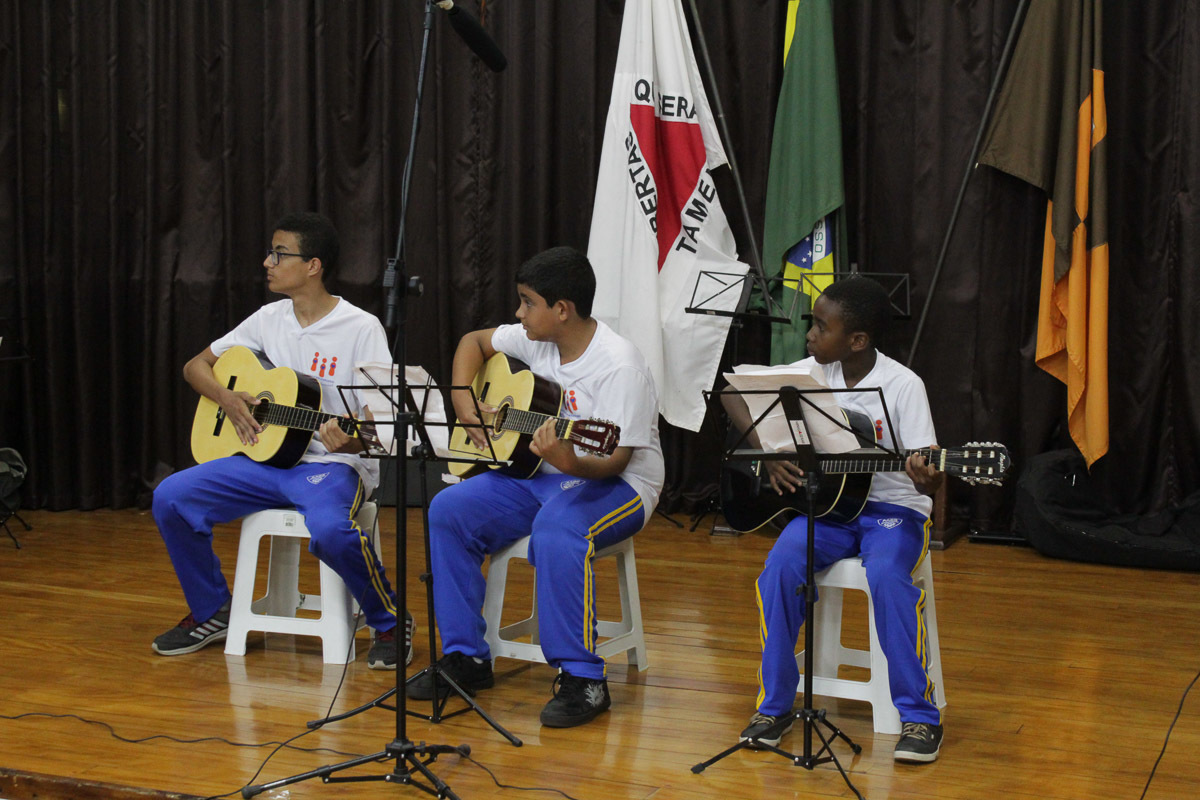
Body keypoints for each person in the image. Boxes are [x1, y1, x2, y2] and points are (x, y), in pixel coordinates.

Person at [411, 246, 664, 728]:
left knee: (558, 528)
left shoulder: (619, 365)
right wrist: (464, 398)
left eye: (527, 303)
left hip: (619, 483)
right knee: (448, 509)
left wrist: (569, 459)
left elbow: (614, 460)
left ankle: (584, 676)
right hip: (538, 474)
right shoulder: (535, 340)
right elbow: (473, 341)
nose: (518, 313)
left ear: (562, 310)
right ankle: (466, 657)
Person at [151, 212, 412, 669]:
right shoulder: (268, 318)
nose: (267, 261)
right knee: (171, 496)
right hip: (266, 461)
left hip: (332, 466)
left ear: (313, 265)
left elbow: (382, 421)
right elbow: (196, 366)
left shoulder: (361, 327)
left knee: (331, 530)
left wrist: (350, 441)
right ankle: (213, 609)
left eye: (279, 253)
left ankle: (389, 620)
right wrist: (228, 398)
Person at [726, 276, 946, 763]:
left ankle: (919, 716)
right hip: (826, 509)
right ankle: (775, 706)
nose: (809, 333)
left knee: (888, 576)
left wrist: (925, 475)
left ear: (857, 341)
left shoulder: (903, 385)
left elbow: (929, 482)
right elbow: (730, 394)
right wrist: (766, 450)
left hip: (893, 510)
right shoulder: (808, 373)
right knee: (779, 571)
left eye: (820, 327)